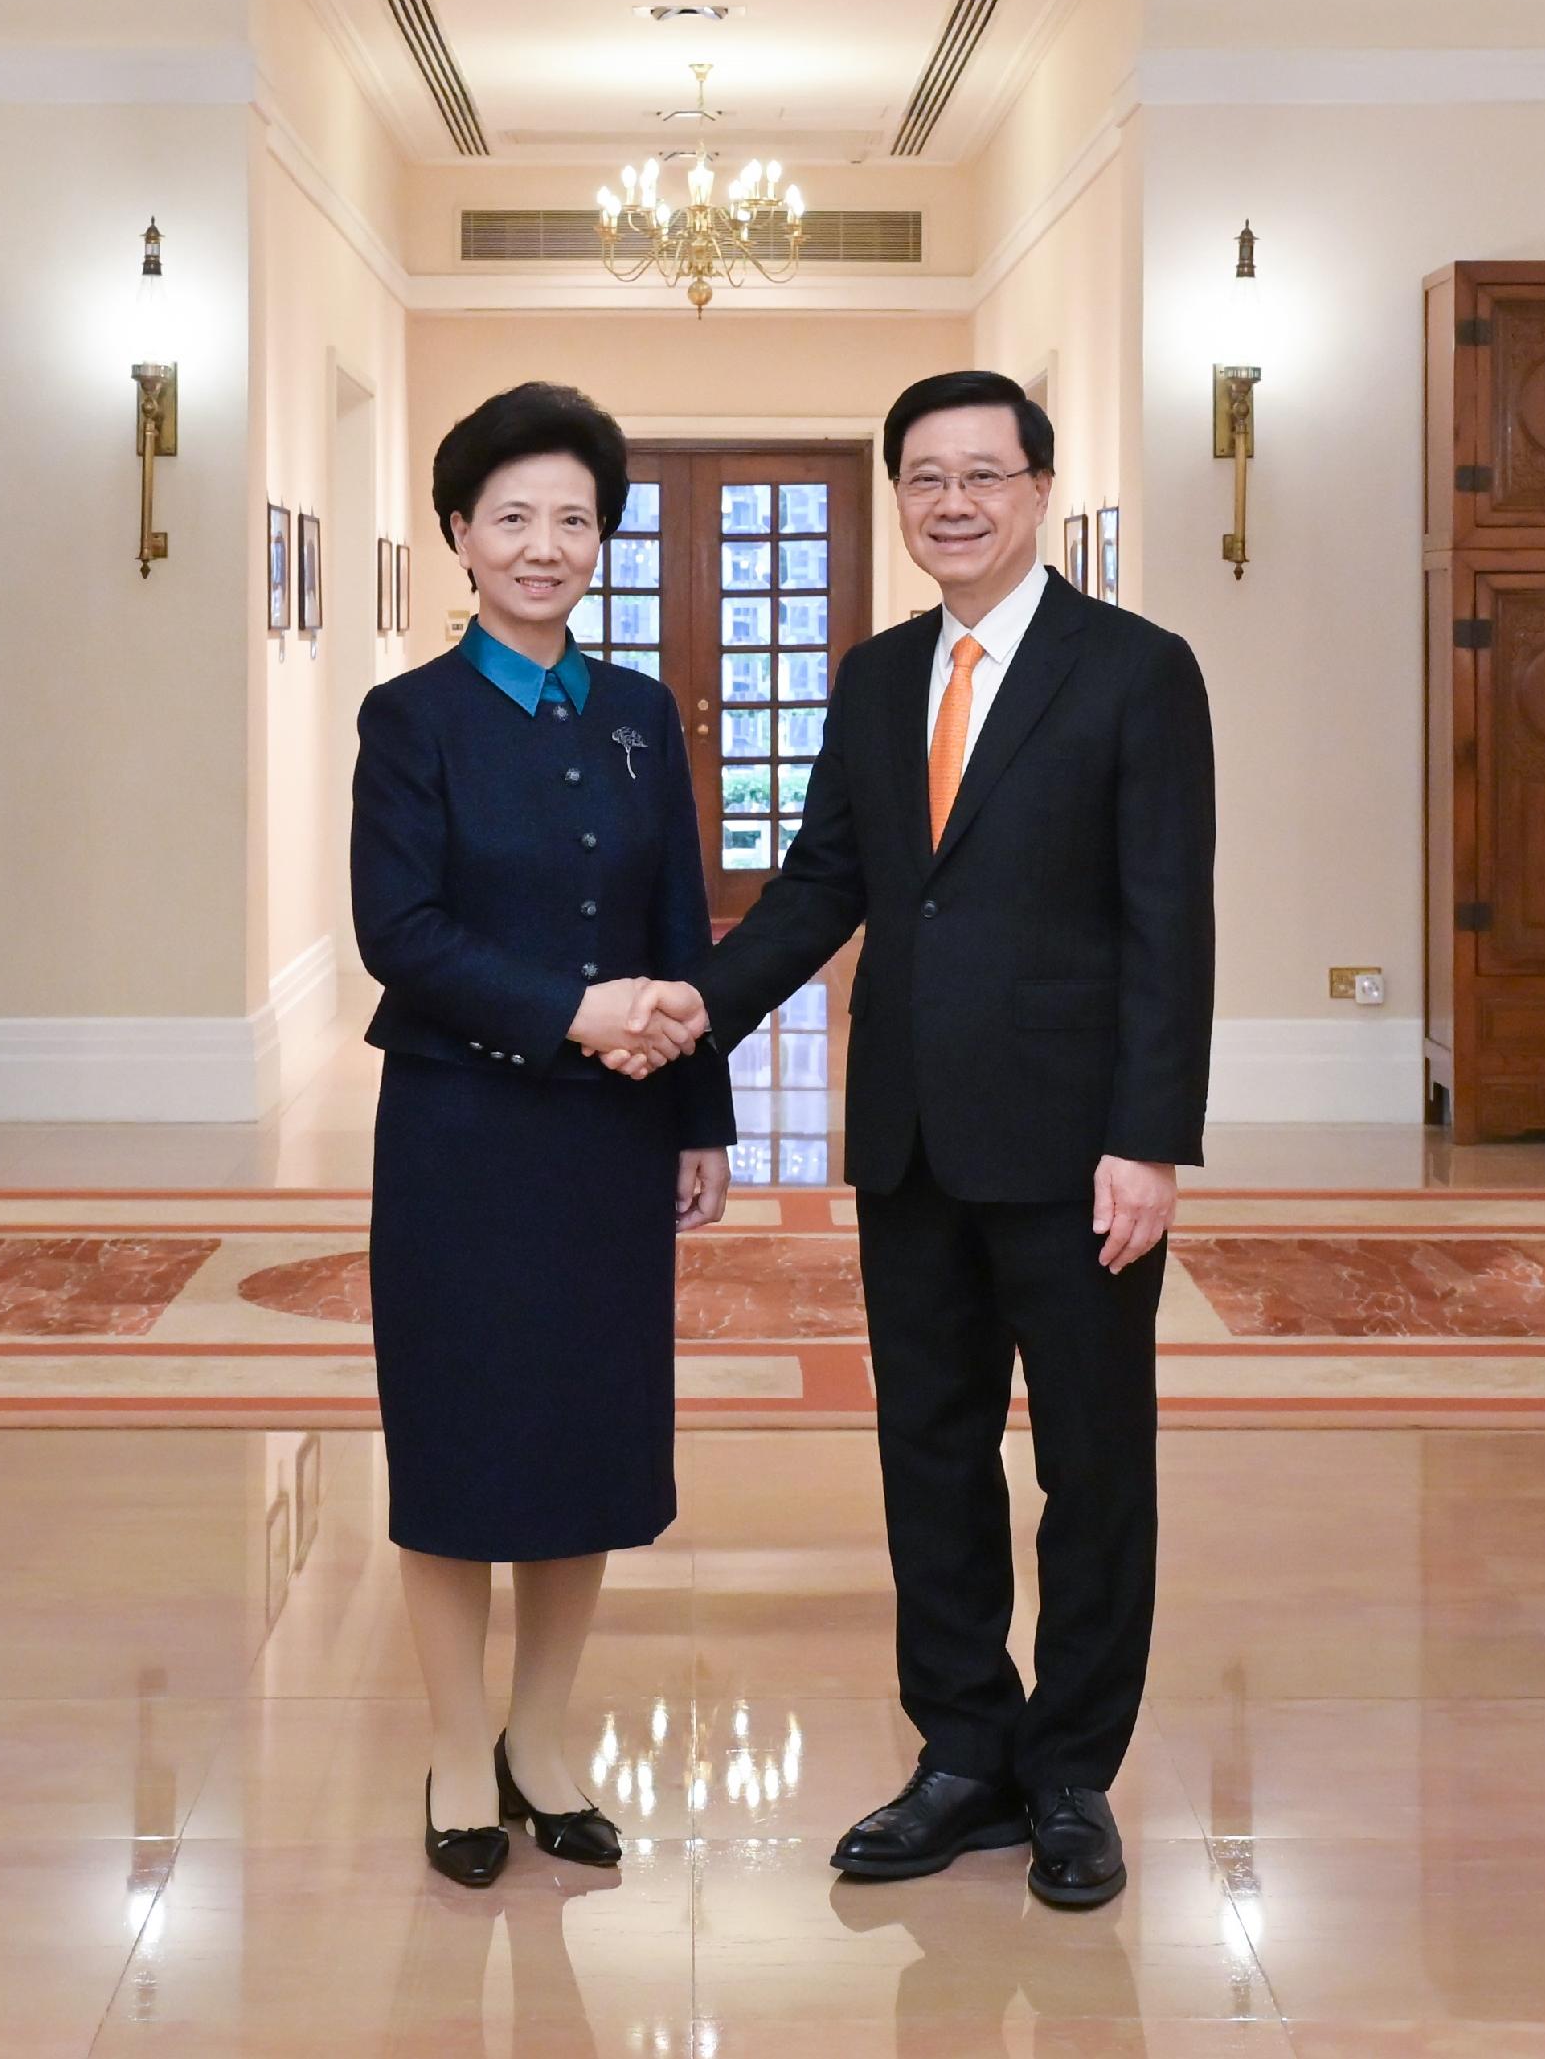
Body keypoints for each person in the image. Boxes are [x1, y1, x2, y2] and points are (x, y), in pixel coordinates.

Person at [609, 369, 1212, 1911]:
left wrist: (1148, 1139)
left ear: (1038, 489)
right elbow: (822, 888)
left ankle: (1069, 1772)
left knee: (1093, 1465)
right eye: (925, 478)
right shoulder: (877, 677)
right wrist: (695, 1005)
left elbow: (1168, 921)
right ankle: (961, 1752)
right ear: (900, 499)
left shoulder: (1138, 671)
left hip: (1080, 1149)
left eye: (984, 475)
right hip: (912, 1145)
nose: (953, 501)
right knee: (927, 1455)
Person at [350, 381, 729, 1890]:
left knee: (581, 1436)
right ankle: (456, 1745)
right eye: (513, 516)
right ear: (458, 532)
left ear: (602, 539)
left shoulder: (639, 714)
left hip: (610, 1148)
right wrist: (574, 1009)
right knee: (458, 1441)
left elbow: (680, 921)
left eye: (574, 518)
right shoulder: (411, 718)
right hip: (457, 1132)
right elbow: (402, 933)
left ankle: (545, 1739)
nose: (545, 544)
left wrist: (698, 1116)